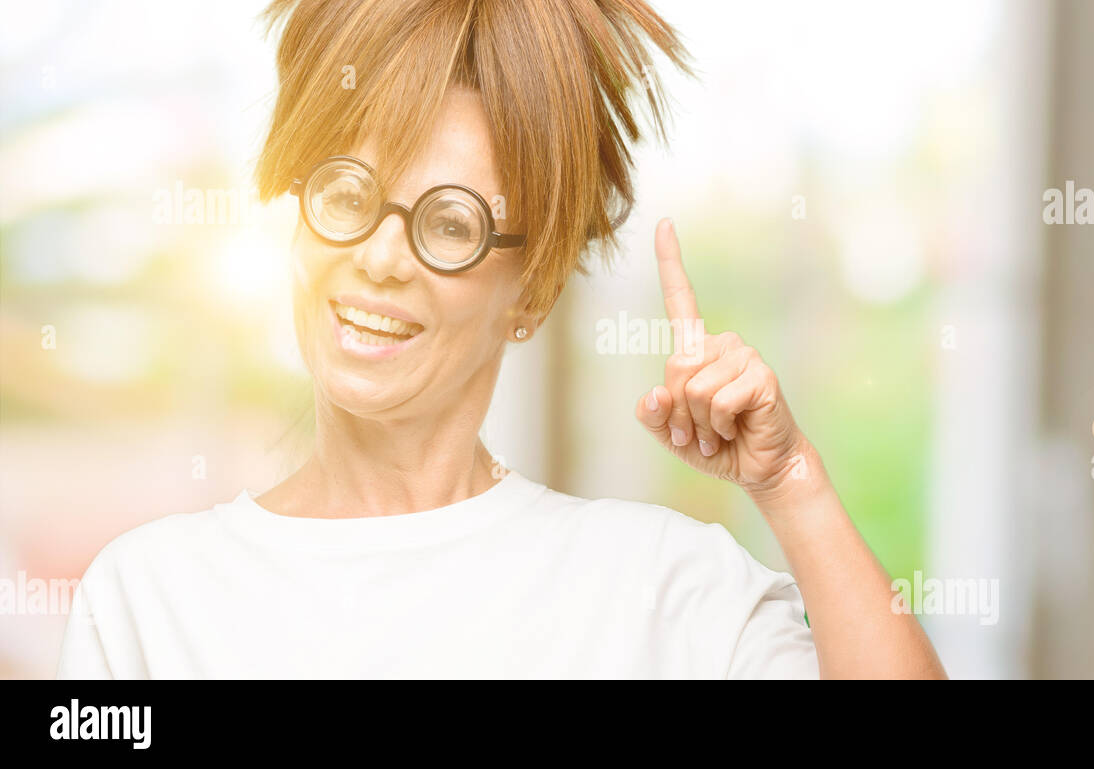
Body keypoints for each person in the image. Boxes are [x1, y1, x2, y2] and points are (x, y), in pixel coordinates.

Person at [56, 0, 945, 679]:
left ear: (535, 286)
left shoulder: (664, 592)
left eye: (449, 223)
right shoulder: (147, 598)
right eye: (346, 193)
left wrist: (793, 484)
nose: (378, 255)